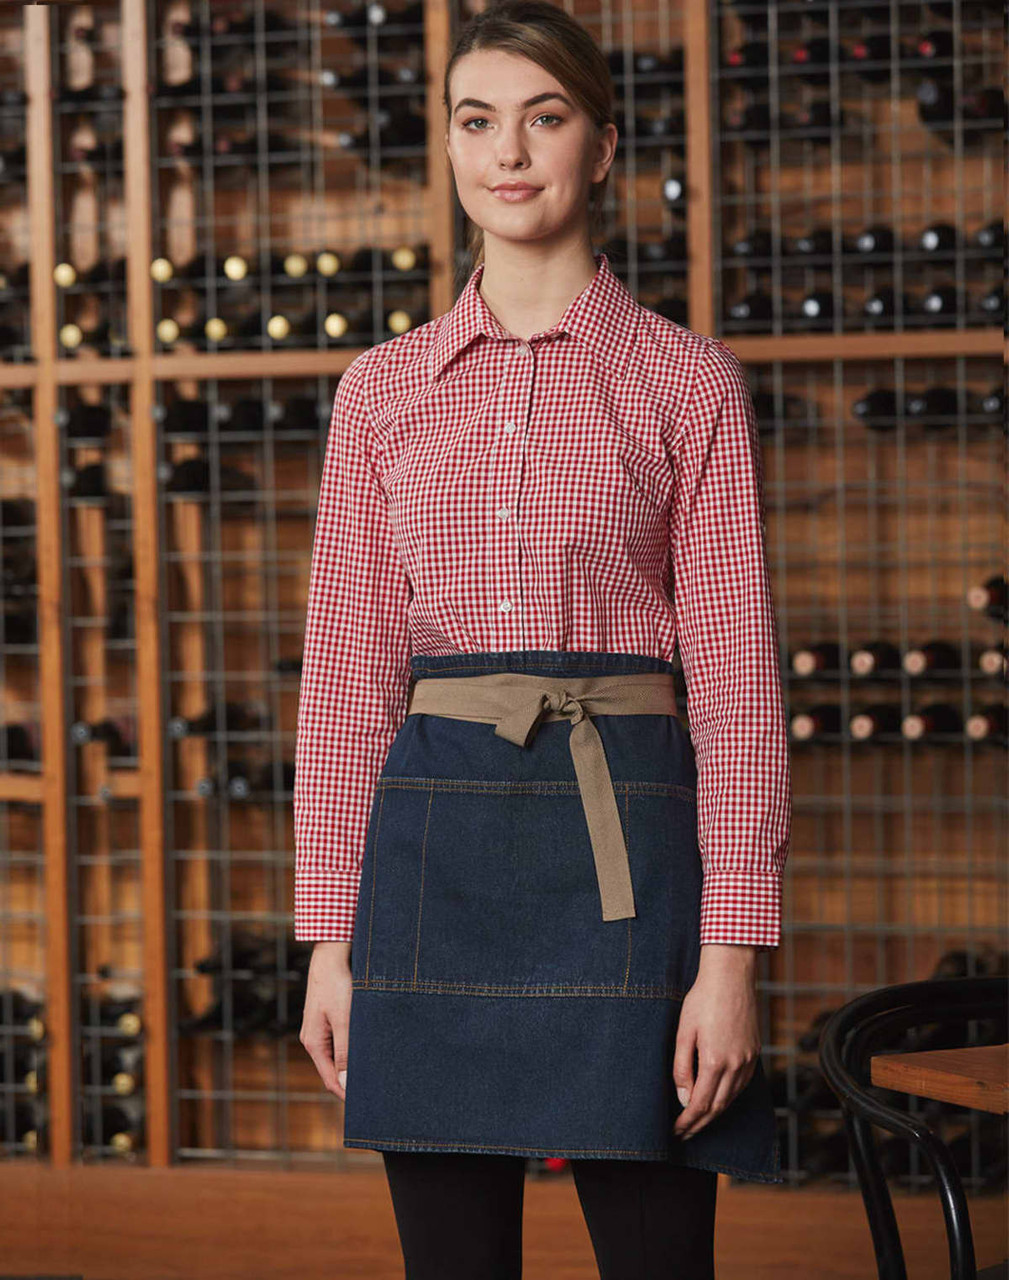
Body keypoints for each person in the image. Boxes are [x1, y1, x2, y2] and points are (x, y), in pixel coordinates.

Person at [295, 1, 792, 1275]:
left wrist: (730, 957)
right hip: (431, 860)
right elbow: (348, 686)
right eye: (478, 121)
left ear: (603, 148)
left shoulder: (687, 381)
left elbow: (735, 686)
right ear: (450, 150)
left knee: (659, 1261)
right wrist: (329, 945)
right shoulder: (380, 391)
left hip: (628, 847)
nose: (508, 151)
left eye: (545, 116)